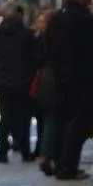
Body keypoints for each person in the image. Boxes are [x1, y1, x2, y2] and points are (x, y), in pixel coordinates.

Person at [45, 0, 93, 180]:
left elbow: (47, 47)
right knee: (78, 121)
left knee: (62, 120)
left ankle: (60, 163)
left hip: (59, 76)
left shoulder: (57, 18)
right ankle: (68, 167)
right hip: (81, 78)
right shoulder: (86, 20)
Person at [0, 2, 38, 163]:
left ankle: (3, 151)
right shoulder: (27, 35)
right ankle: (25, 151)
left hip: (3, 80)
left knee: (5, 116)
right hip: (23, 81)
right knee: (23, 117)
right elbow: (34, 57)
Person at [32, 10, 58, 176]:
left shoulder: (40, 39)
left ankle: (44, 152)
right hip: (48, 81)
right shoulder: (49, 40)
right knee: (50, 119)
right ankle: (46, 153)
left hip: (43, 82)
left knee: (47, 119)